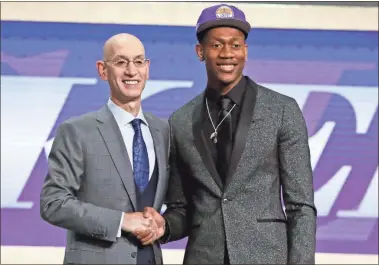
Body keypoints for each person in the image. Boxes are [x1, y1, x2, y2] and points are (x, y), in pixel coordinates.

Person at [136, 4, 317, 264]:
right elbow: (182, 208)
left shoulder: (282, 110)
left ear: (245, 51)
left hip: (266, 257)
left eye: (235, 45)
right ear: (200, 52)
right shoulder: (180, 121)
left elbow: (300, 205)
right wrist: (163, 226)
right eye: (217, 45)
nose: (227, 54)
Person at [40, 33, 169, 265]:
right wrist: (121, 221)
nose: (131, 71)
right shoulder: (77, 131)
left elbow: (179, 202)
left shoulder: (163, 131)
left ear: (147, 68)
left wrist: (163, 224)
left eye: (138, 61)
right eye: (121, 62)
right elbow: (53, 202)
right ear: (102, 70)